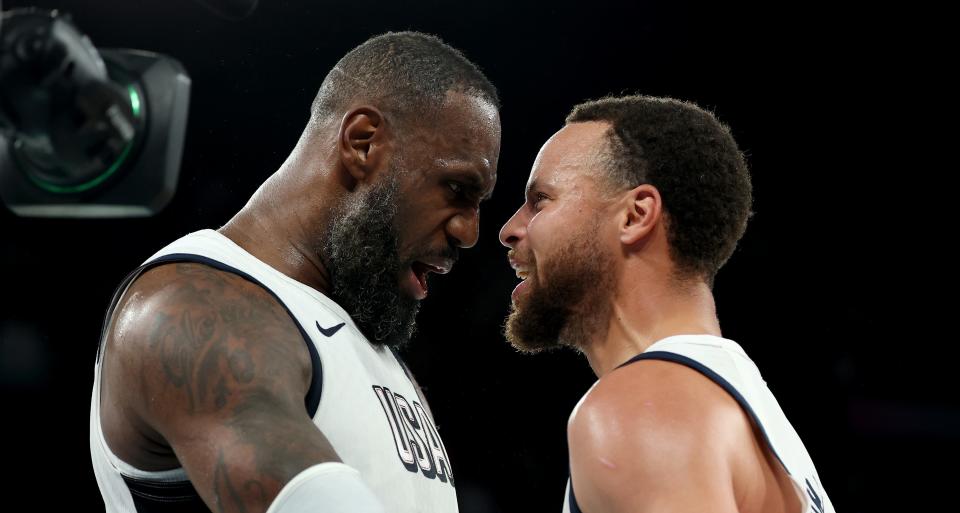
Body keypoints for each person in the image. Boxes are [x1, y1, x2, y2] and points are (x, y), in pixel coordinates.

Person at [90, 31, 501, 513]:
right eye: (456, 188)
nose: (471, 232)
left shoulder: (369, 349)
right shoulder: (194, 310)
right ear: (363, 143)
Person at [498, 95, 834, 513]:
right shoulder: (743, 405)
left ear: (635, 216)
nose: (510, 229)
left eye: (541, 201)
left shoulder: (643, 409)